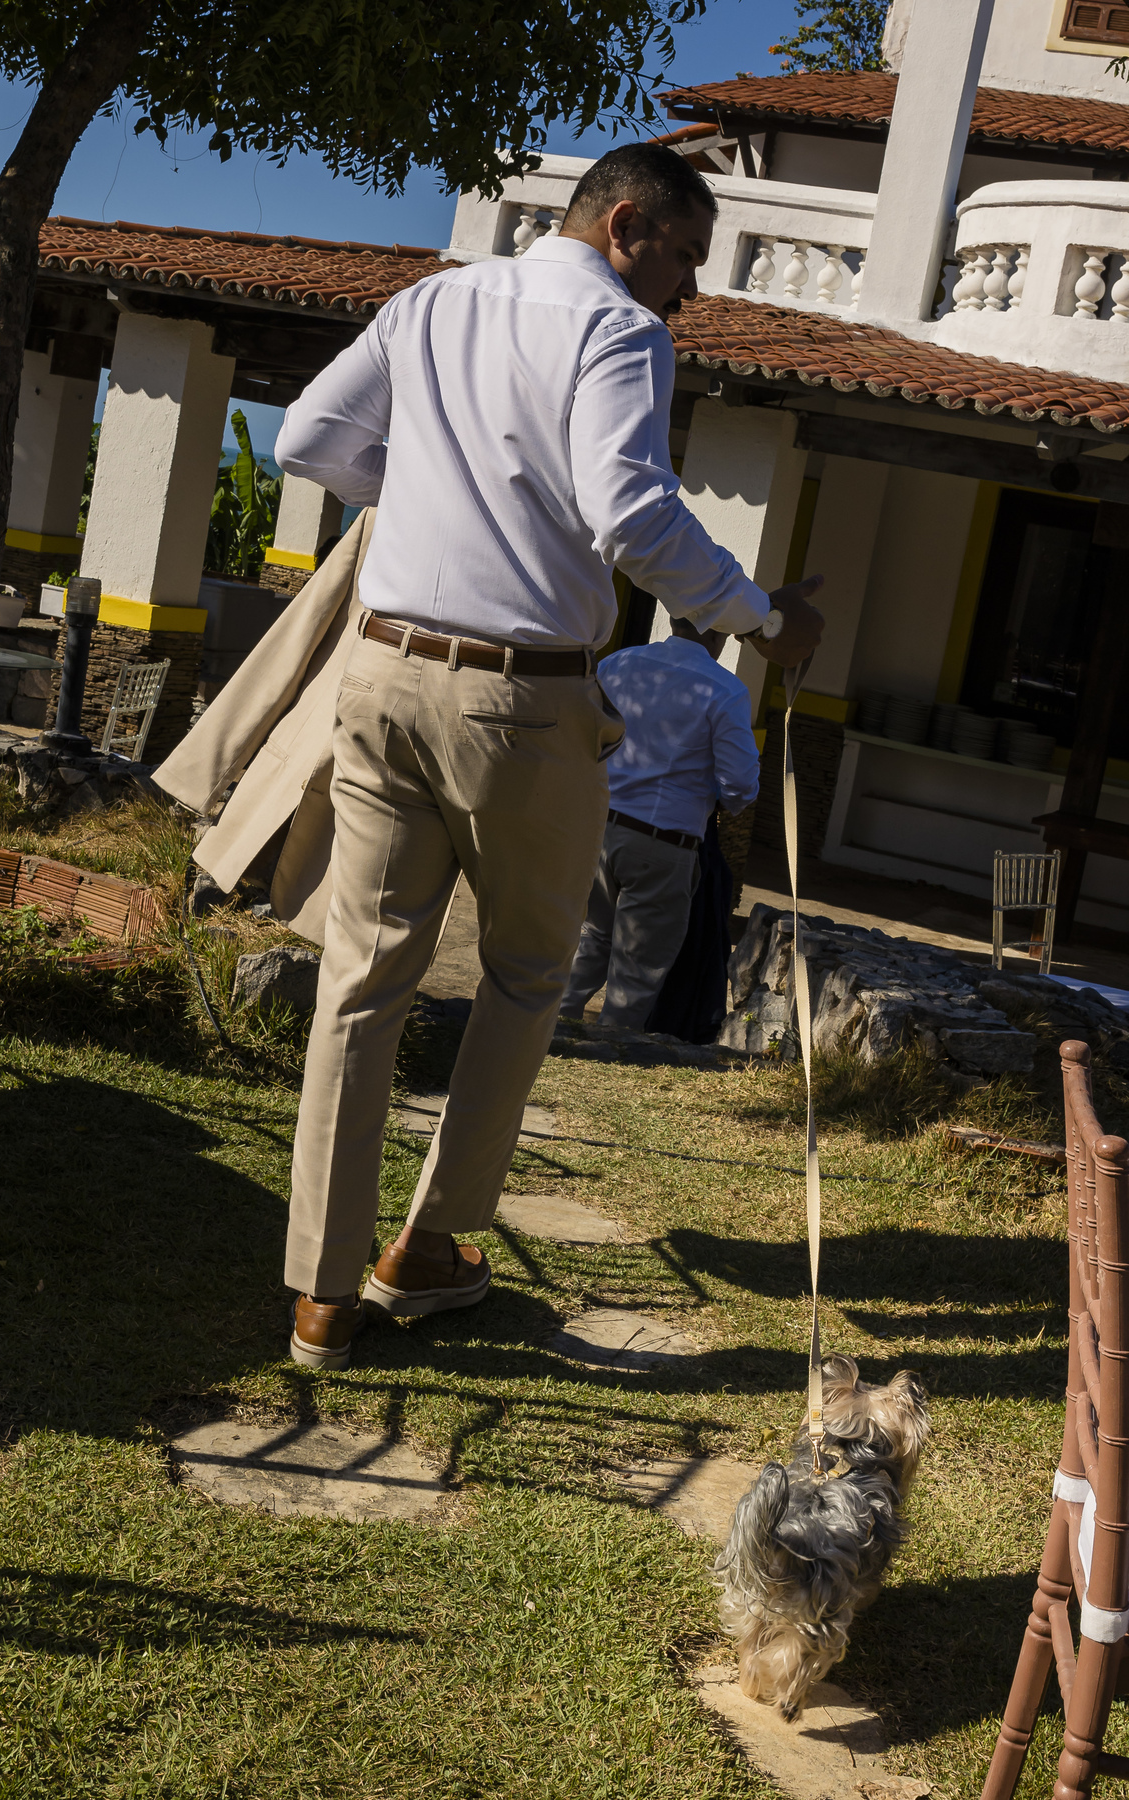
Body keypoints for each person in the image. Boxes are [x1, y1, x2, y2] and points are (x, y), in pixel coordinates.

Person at [271, 142, 824, 1371]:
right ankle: (425, 1249)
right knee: (528, 975)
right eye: (682, 257)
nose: (686, 290)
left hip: (381, 670)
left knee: (360, 980)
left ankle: (319, 1292)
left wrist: (423, 498)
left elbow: (303, 441)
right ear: (625, 227)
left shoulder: (429, 299)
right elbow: (630, 513)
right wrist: (762, 617)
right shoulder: (621, 332)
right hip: (521, 700)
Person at [560, 614, 766, 1031]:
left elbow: (579, 733)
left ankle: (548, 1025)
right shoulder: (725, 690)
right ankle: (606, 1052)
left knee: (589, 936)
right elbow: (741, 785)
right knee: (637, 969)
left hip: (596, 825)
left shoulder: (618, 663)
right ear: (720, 631)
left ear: (672, 618)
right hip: (662, 841)